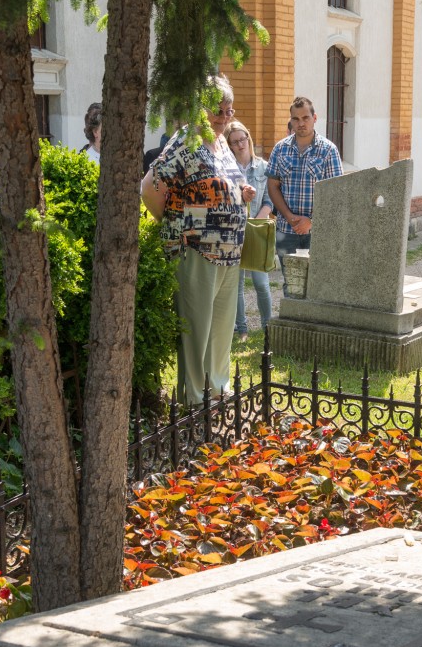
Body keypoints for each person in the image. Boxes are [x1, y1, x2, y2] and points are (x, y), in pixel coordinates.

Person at [140, 76, 256, 406]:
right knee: (196, 328)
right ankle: (194, 398)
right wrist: (175, 223)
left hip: (229, 250)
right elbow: (149, 188)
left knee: (221, 327)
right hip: (195, 248)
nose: (224, 118)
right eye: (218, 111)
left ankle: (217, 388)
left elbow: (226, 183)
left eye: (229, 111)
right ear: (200, 108)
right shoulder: (187, 140)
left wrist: (242, 193)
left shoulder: (222, 144)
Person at [266, 96, 343, 295]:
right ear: (291, 120)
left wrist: (311, 222)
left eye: (305, 118)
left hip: (317, 233)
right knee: (292, 284)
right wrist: (289, 217)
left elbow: (336, 194)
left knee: (318, 284)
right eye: (296, 119)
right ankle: (292, 316)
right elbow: (273, 186)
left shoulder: (329, 151)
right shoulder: (280, 149)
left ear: (314, 118)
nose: (301, 123)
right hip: (286, 230)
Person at [225, 121, 274, 342]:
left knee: (261, 283)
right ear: (229, 145)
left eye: (242, 139)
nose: (240, 144)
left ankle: (267, 328)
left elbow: (269, 200)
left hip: (256, 230)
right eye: (234, 142)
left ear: (248, 138)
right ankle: (242, 329)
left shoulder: (263, 167)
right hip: (233, 231)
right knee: (236, 286)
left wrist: (256, 221)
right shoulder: (227, 169)